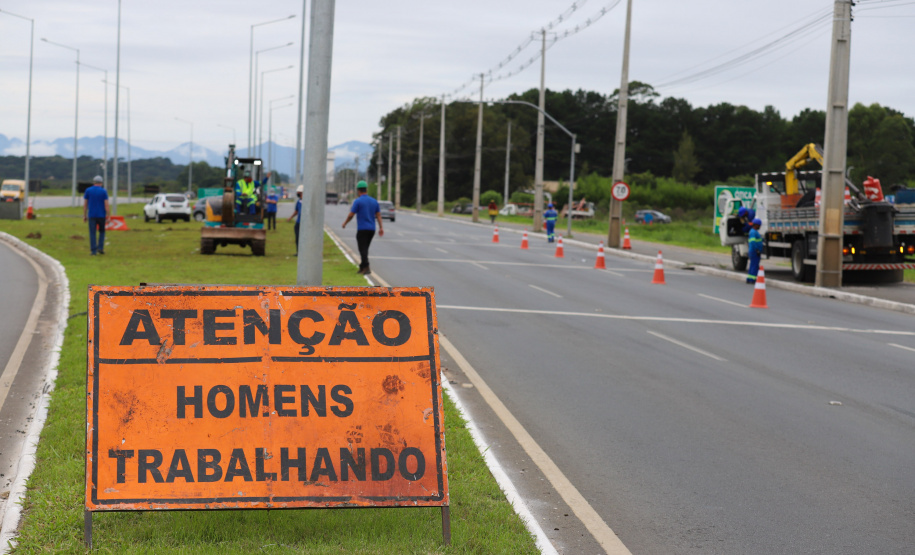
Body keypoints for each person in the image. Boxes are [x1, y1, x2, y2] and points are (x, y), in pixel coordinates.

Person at [342, 181, 383, 275]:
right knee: (365, 249)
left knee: (362, 249)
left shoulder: (358, 201)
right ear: (366, 190)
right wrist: (381, 227)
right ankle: (362, 266)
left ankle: (366, 267)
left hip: (362, 229)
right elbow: (378, 215)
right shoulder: (374, 201)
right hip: (372, 229)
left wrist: (345, 223)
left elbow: (351, 215)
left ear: (358, 191)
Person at [83, 175, 109, 255]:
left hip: (92, 215)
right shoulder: (103, 191)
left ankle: (93, 250)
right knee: (102, 232)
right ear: (101, 183)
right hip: (101, 215)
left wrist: (84, 215)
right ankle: (100, 247)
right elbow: (106, 205)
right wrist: (108, 215)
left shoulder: (88, 190)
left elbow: (85, 204)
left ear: (94, 182)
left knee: (92, 233)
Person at [287, 185, 303, 254]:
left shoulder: (307, 202)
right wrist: (290, 217)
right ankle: (298, 252)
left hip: (304, 224)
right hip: (298, 223)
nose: (297, 193)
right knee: (297, 238)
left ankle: (303, 252)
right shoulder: (299, 202)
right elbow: (296, 211)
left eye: (298, 192)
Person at [747, 218, 763, 283]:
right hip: (754, 251)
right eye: (759, 225)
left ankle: (749, 279)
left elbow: (757, 240)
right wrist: (757, 250)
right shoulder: (753, 232)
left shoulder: (753, 231)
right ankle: (752, 279)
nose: (759, 226)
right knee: (754, 265)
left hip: (753, 251)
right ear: (756, 225)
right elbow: (753, 242)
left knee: (752, 265)